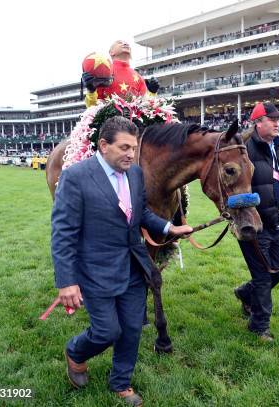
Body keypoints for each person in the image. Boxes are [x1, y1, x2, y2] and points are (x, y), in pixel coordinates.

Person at [52, 116, 192, 405]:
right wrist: (66, 281)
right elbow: (63, 233)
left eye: (134, 147)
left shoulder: (136, 174)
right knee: (107, 330)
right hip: (94, 270)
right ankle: (76, 352)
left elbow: (139, 213)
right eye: (124, 147)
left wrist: (168, 228)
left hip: (132, 265)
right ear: (104, 145)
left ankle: (121, 382)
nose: (131, 153)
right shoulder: (76, 176)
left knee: (130, 328)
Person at [234, 102, 279, 342]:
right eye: (271, 119)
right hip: (254, 224)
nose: (277, 122)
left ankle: (245, 293)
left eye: (278, 118)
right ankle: (259, 327)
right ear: (258, 122)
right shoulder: (243, 150)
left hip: (277, 222)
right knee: (262, 276)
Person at [82, 40, 159, 108]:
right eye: (120, 42)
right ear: (111, 52)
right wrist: (91, 91)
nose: (125, 43)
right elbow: (92, 107)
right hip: (109, 122)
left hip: (134, 122)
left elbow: (147, 106)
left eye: (126, 43)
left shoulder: (139, 77)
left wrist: (152, 92)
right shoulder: (104, 71)